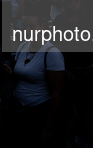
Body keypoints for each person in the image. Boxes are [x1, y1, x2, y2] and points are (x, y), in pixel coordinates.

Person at [8, 13, 66, 148]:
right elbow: (19, 77)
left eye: (31, 26)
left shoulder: (52, 53)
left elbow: (57, 94)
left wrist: (48, 127)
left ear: (42, 26)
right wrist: (8, 73)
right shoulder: (23, 46)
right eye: (24, 26)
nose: (27, 30)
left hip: (37, 114)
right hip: (18, 110)